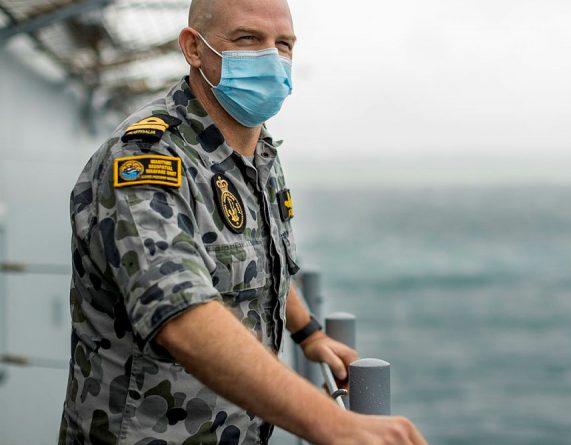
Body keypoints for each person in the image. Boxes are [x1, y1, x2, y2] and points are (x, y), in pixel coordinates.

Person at [58, 0, 428, 443]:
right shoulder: (148, 154)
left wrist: (308, 333)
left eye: (284, 44)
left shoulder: (259, 152)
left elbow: (259, 259)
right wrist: (335, 424)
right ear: (194, 49)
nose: (271, 58)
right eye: (248, 39)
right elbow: (179, 312)